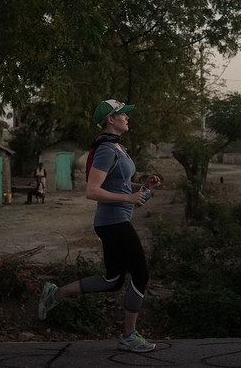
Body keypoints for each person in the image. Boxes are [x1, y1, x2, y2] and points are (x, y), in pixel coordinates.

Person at [38, 98, 161, 353]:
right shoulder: (106, 150)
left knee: (113, 279)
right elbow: (92, 191)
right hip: (113, 222)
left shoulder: (118, 147)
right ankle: (128, 336)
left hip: (115, 221)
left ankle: (55, 294)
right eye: (122, 114)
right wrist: (129, 198)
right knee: (141, 275)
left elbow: (122, 185)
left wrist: (144, 185)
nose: (127, 117)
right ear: (110, 120)